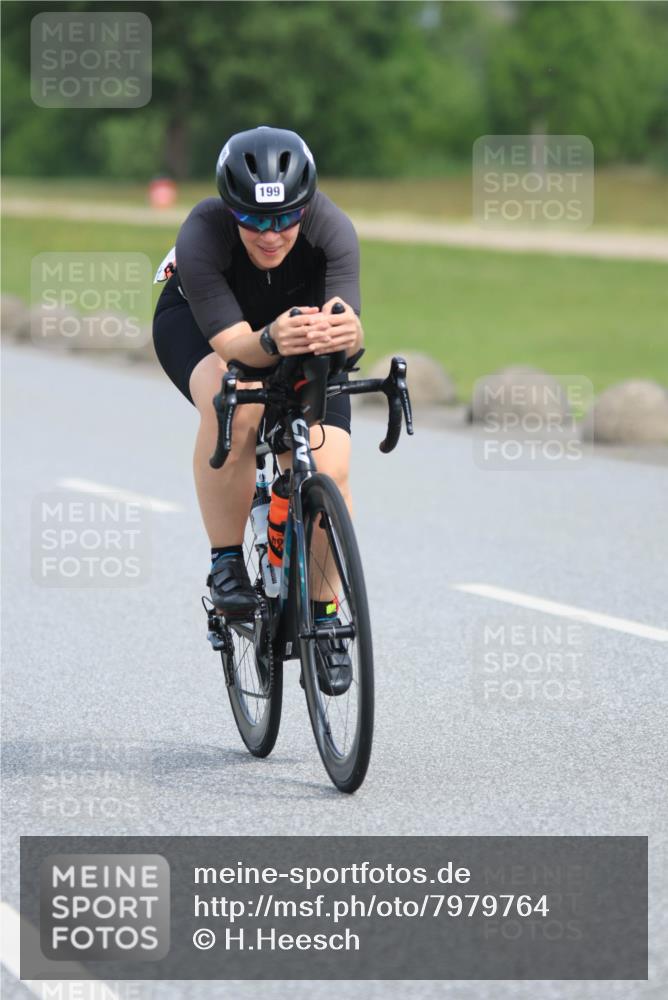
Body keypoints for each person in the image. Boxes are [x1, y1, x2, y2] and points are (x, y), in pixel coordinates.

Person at [153, 126, 364, 693]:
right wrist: (271, 340)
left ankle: (325, 618)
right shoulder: (202, 231)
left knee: (329, 465)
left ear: (306, 206)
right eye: (254, 220)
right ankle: (226, 562)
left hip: (295, 334)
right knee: (238, 402)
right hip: (206, 331)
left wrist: (349, 331)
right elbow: (237, 348)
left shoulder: (332, 228)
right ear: (231, 208)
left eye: (285, 219)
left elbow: (346, 321)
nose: (271, 236)